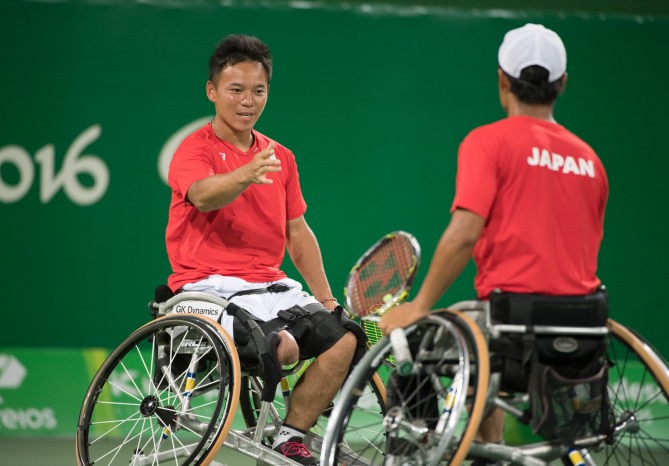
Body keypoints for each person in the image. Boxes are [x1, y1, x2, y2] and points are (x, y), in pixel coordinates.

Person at [379, 23, 608, 466]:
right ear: (562, 84)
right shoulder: (591, 160)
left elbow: (465, 233)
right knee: (480, 365)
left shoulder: (489, 141)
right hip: (583, 330)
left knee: (412, 345)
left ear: (502, 79)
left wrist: (421, 305)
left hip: (509, 324)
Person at [164, 34, 361, 466]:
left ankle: (291, 434)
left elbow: (298, 233)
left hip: (269, 286)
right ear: (212, 91)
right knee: (284, 347)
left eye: (258, 91)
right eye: (236, 90)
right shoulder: (194, 150)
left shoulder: (281, 157)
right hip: (206, 287)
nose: (248, 101)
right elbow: (202, 196)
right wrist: (245, 174)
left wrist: (327, 299)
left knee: (345, 338)